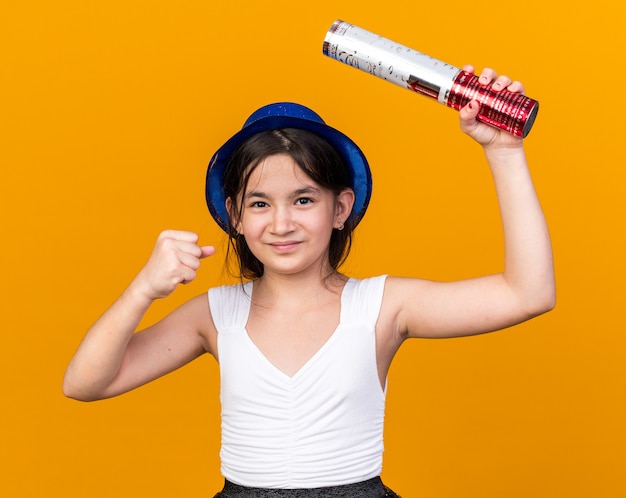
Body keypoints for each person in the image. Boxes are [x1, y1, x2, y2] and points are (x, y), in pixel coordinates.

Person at [63, 65, 555, 497]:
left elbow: (528, 294)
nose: (281, 223)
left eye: (303, 200)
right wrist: (143, 289)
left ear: (340, 208)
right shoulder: (214, 315)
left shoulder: (382, 306)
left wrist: (505, 151)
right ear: (234, 214)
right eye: (260, 203)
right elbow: (85, 383)